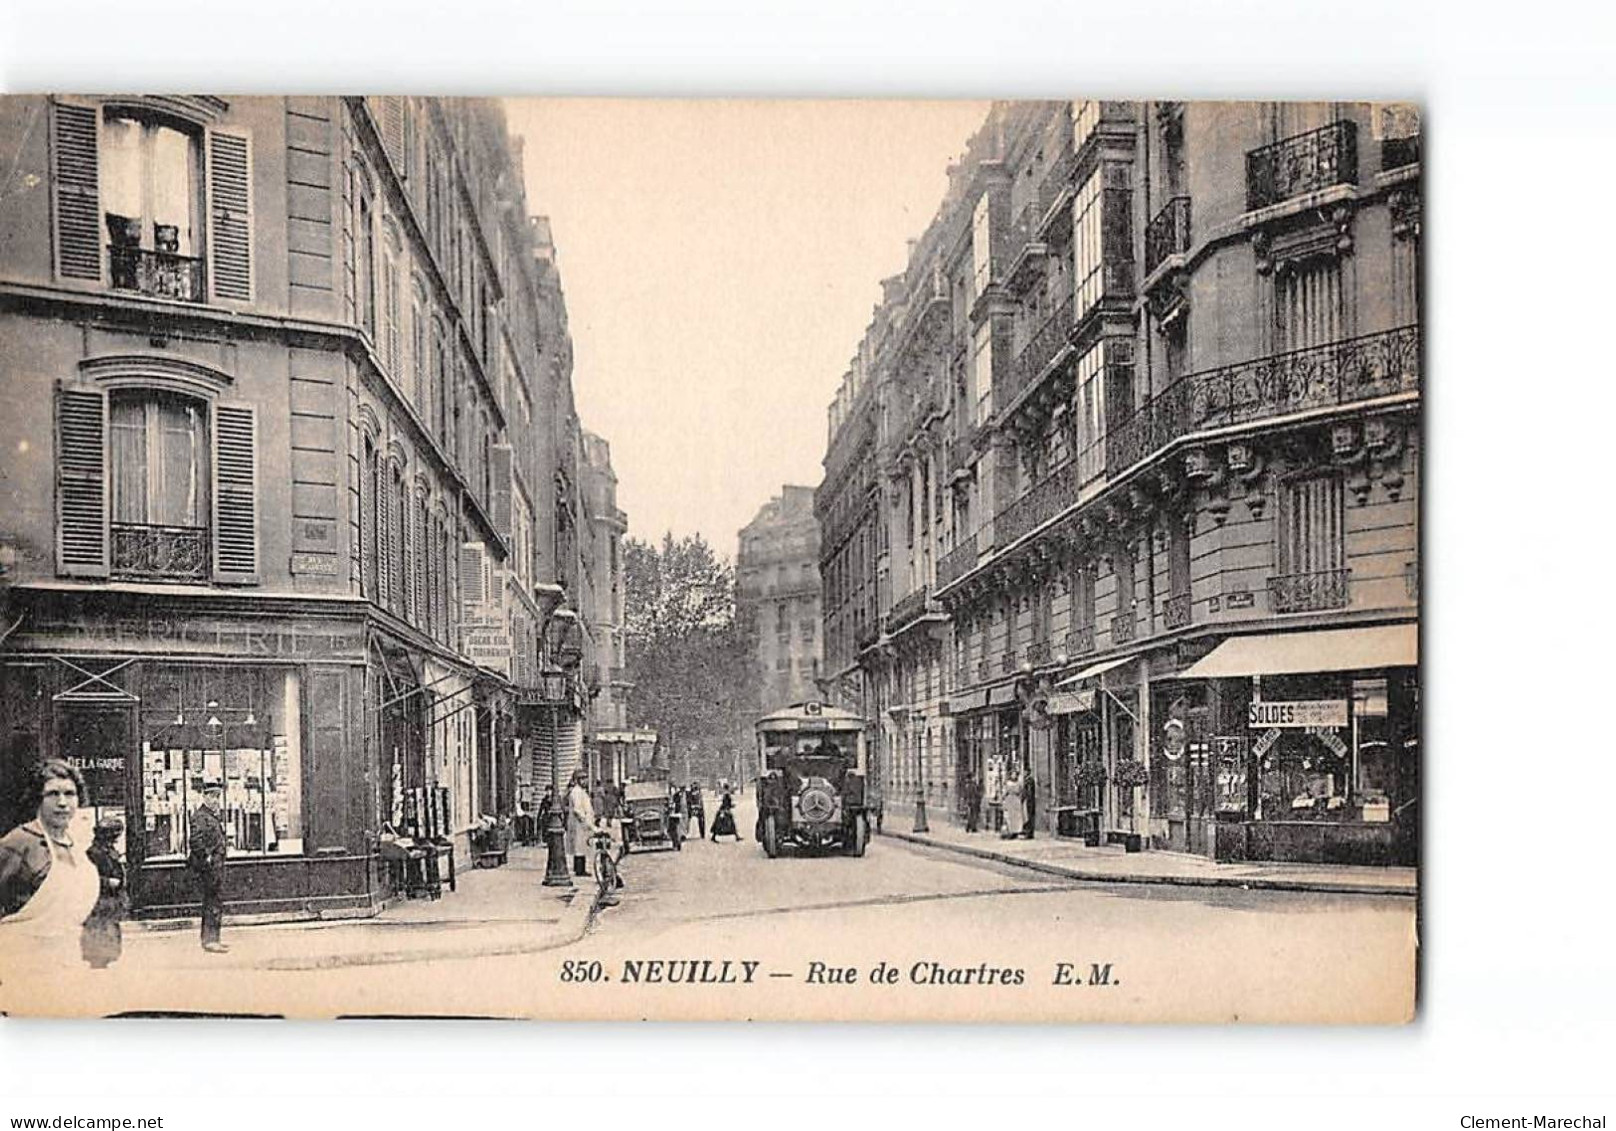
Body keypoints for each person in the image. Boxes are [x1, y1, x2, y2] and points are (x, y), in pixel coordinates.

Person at [0, 759, 100, 968]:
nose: (62, 803)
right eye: (53, 794)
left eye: (70, 794)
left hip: (68, 963)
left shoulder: (78, 845)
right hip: (20, 966)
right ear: (38, 799)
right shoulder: (19, 842)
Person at [189, 781, 230, 953]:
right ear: (204, 796)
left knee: (215, 901)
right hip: (210, 867)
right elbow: (195, 841)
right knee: (212, 901)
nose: (215, 800)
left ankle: (213, 938)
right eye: (212, 796)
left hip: (216, 865)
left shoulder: (211, 816)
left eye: (217, 797)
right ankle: (210, 940)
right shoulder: (200, 816)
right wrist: (207, 858)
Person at [82, 817, 126, 969]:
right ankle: (98, 961)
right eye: (115, 836)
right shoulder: (94, 852)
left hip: (110, 900)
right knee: (100, 930)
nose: (116, 839)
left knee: (108, 930)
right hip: (100, 900)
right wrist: (108, 882)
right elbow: (88, 877)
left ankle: (103, 960)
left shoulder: (107, 850)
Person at [567, 772, 595, 877]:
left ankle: (580, 868)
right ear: (578, 780)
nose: (585, 781)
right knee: (579, 847)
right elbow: (577, 809)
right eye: (583, 779)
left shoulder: (580, 791)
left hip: (581, 825)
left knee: (582, 847)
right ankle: (580, 870)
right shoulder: (577, 792)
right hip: (579, 824)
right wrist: (584, 820)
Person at [999, 770, 1024, 841]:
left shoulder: (1019, 783)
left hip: (1016, 800)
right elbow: (1005, 792)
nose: (1014, 776)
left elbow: (1020, 791)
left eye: (1015, 774)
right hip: (1010, 799)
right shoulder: (1008, 783)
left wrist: (1020, 797)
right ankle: (1010, 831)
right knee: (1010, 816)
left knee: (1017, 816)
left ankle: (1017, 831)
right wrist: (1003, 799)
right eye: (1013, 774)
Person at [1022, 772, 1037, 840]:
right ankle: (1030, 833)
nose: (1024, 773)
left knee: (1029, 817)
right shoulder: (1029, 780)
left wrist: (1025, 798)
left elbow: (1029, 792)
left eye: (1025, 772)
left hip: (1029, 801)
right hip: (1030, 801)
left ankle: (1029, 833)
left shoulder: (1029, 780)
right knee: (1029, 817)